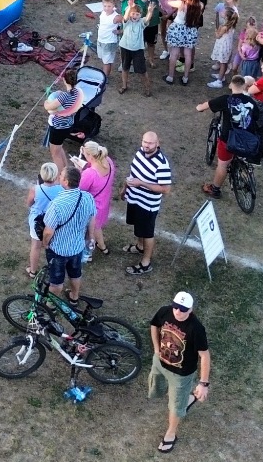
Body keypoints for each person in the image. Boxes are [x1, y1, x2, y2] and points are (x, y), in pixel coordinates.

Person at [148, 292, 211, 453]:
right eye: (176, 307)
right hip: (160, 363)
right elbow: (154, 324)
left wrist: (203, 383)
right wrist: (156, 349)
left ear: (190, 310)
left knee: (175, 406)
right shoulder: (165, 311)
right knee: (158, 388)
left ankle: (171, 434)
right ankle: (186, 399)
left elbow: (204, 355)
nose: (178, 312)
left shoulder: (196, 328)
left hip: (181, 374)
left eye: (183, 309)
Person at [39, 163, 97, 303]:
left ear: (66, 181)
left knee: (56, 281)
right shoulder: (88, 197)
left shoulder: (57, 204)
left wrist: (45, 244)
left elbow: (48, 231)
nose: (59, 177)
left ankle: (50, 305)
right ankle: (74, 297)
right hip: (77, 247)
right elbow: (92, 219)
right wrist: (91, 237)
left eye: (61, 176)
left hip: (58, 250)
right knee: (75, 274)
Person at [197, 75, 258, 199]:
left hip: (229, 139)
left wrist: (199, 108)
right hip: (248, 139)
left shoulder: (226, 99)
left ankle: (215, 189)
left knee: (223, 165)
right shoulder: (251, 101)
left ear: (231, 85)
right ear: (244, 86)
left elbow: (206, 105)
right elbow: (256, 117)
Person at [122, 131, 171, 276]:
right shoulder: (139, 153)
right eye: (144, 142)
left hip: (148, 204)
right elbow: (133, 174)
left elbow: (165, 189)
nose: (146, 146)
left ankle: (146, 262)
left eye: (150, 143)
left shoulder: (162, 164)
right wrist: (125, 189)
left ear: (157, 144)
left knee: (148, 233)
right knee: (138, 227)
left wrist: (142, 183)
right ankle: (139, 246)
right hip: (135, 199)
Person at [77, 141, 117, 255]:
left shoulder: (90, 173)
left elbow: (79, 190)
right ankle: (103, 246)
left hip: (92, 208)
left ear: (90, 156)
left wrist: (79, 170)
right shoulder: (108, 161)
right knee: (97, 227)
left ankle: (88, 254)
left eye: (85, 154)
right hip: (103, 203)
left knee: (89, 233)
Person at [26, 161, 63, 277]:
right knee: (52, 246)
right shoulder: (61, 189)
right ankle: (54, 271)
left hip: (37, 220)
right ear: (56, 175)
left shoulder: (35, 189)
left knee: (36, 246)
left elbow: (29, 203)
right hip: (53, 220)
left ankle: (32, 271)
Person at [43, 73, 85, 172]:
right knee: (59, 148)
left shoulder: (64, 96)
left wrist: (46, 102)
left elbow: (49, 107)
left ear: (64, 80)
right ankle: (66, 170)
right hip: (68, 125)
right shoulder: (78, 92)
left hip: (58, 128)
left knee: (55, 154)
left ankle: (63, 177)